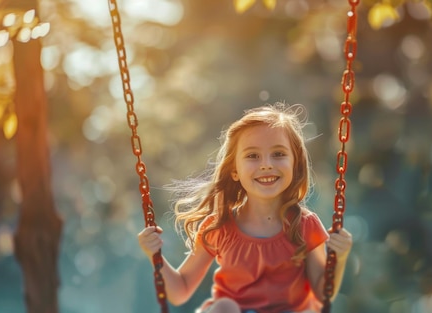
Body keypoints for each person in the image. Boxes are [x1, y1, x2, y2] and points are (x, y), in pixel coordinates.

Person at [138, 103, 353, 313]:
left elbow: (323, 293)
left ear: (295, 165)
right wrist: (155, 255)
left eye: (278, 154)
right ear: (235, 171)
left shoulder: (305, 225)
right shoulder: (219, 227)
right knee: (224, 306)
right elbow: (181, 289)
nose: (266, 164)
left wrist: (339, 257)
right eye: (252, 156)